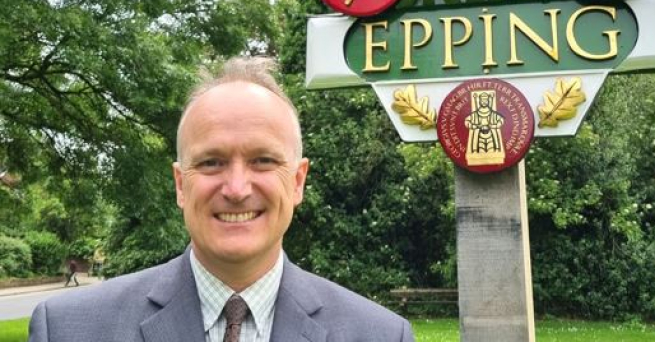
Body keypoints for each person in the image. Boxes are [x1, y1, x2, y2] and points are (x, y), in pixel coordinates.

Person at [28, 57, 415, 342]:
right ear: (181, 185)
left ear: (297, 182)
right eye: (211, 162)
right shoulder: (66, 329)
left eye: (263, 161)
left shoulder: (380, 335)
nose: (236, 188)